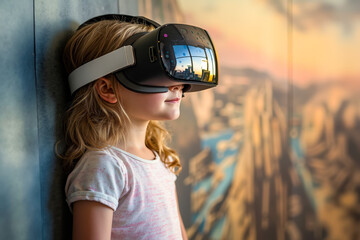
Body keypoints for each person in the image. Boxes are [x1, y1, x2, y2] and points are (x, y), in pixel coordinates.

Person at [61, 14, 218, 240]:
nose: (178, 84)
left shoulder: (161, 159)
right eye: (156, 67)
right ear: (107, 90)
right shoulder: (105, 167)